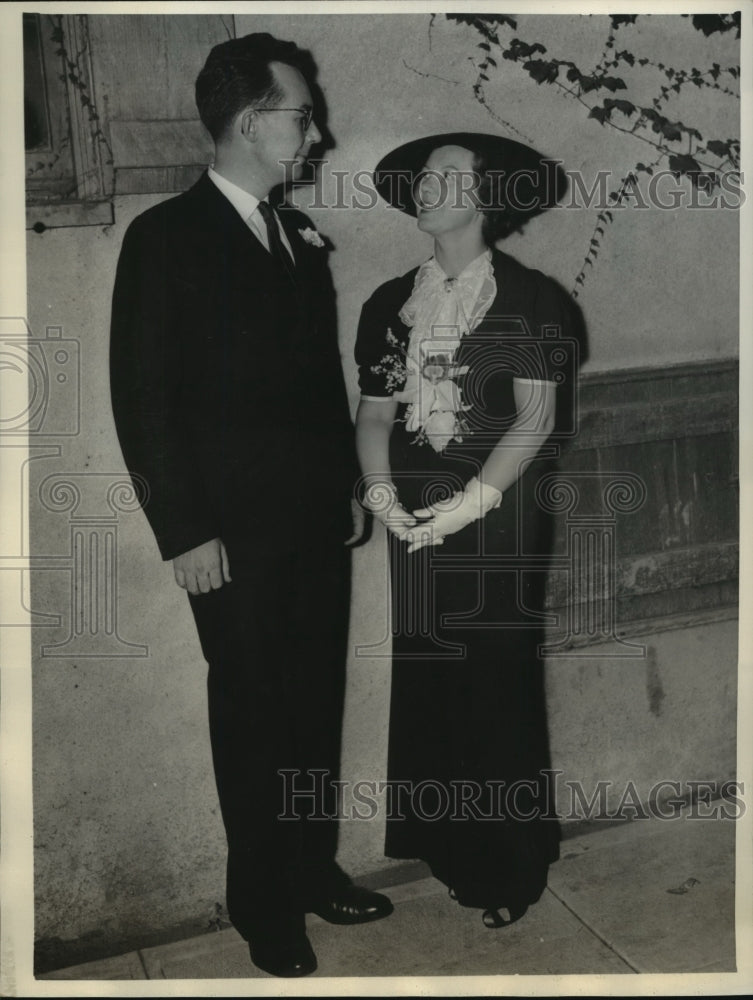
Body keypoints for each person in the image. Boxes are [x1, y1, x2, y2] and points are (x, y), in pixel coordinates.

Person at [110, 32, 392, 979]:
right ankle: (261, 904)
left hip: (312, 521)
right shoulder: (165, 238)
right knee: (254, 714)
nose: (316, 132)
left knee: (312, 705)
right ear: (248, 121)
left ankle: (310, 871)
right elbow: (141, 398)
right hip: (228, 539)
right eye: (302, 114)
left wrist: (346, 488)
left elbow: (316, 387)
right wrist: (183, 530)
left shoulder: (292, 236)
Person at [355, 132, 584, 928]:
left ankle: (508, 870)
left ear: (485, 196)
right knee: (431, 675)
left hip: (498, 513)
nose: (427, 185)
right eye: (422, 175)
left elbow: (537, 417)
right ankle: (450, 851)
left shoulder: (528, 297)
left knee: (492, 680)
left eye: (447, 175)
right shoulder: (391, 300)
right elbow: (375, 413)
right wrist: (382, 496)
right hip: (411, 514)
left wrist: (469, 503)